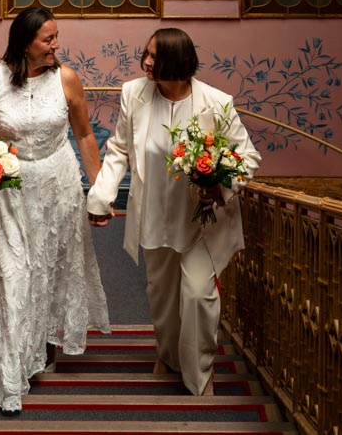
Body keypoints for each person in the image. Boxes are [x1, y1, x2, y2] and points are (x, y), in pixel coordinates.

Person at [86, 28, 260, 397]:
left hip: (202, 220)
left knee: (198, 295)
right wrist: (102, 196)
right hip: (154, 216)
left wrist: (220, 185)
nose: (147, 62)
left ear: (178, 64)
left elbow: (247, 157)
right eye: (145, 54)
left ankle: (199, 373)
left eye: (156, 57)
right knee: (162, 298)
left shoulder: (216, 102)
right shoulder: (133, 94)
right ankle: (167, 356)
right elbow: (119, 149)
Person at [0, 7, 110, 412]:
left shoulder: (67, 79)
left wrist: (99, 190)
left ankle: (41, 348)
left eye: (57, 37)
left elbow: (85, 135)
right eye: (48, 39)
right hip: (8, 190)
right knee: (13, 272)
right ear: (25, 42)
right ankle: (8, 371)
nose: (56, 45)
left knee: (51, 269)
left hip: (58, 186)